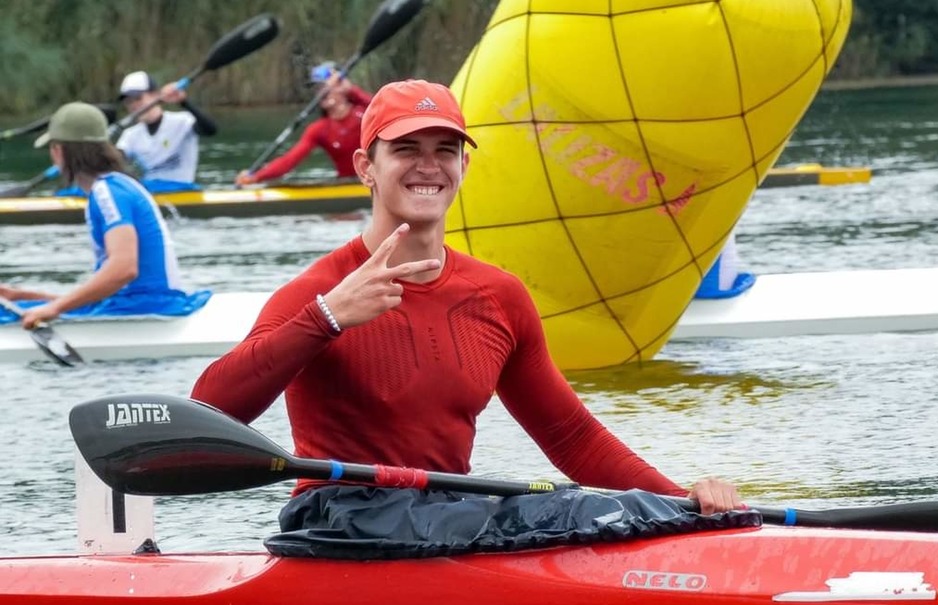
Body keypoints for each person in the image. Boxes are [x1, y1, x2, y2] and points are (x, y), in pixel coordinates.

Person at [191, 79, 742, 531]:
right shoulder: (320, 291)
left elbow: (570, 435)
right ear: (365, 166)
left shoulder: (499, 297)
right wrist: (326, 318)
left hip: (447, 512)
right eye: (406, 149)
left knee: (595, 509)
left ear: (463, 167)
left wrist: (683, 503)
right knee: (574, 514)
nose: (428, 166)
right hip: (338, 518)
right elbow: (212, 411)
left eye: (445, 150)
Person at [0, 102, 207, 329]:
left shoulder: (107, 192)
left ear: (59, 151)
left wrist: (54, 309)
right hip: (139, 303)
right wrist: (25, 296)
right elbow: (111, 284)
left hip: (144, 309)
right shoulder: (118, 184)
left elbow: (124, 268)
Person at [234, 62, 371, 186]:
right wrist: (256, 177)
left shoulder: (366, 113)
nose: (320, 92)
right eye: (317, 89)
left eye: (324, 86)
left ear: (342, 86)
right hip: (346, 185)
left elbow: (389, 111)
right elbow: (289, 160)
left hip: (376, 181)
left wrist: (352, 90)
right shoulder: (319, 129)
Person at [115, 70, 218, 193]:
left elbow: (211, 130)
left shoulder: (182, 121)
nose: (133, 105)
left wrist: (184, 102)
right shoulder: (130, 135)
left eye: (138, 98)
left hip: (183, 191)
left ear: (155, 95)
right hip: (151, 193)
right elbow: (114, 162)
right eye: (128, 101)